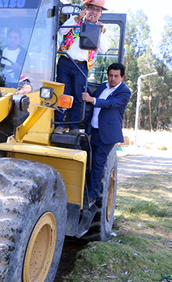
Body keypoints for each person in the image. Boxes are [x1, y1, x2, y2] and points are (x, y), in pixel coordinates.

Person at [54, 0, 109, 135]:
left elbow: (104, 49)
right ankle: (59, 124)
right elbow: (62, 31)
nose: (94, 13)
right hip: (66, 62)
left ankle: (73, 127)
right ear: (86, 9)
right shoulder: (75, 21)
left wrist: (99, 32)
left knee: (79, 96)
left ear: (100, 14)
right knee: (63, 94)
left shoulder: (100, 29)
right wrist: (77, 18)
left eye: (97, 10)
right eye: (92, 9)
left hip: (82, 66)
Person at [81, 62, 130, 204]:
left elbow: (110, 104)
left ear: (122, 77)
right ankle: (85, 191)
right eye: (110, 75)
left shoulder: (124, 92)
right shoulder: (103, 86)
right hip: (93, 130)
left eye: (116, 76)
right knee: (88, 162)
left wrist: (92, 99)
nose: (112, 79)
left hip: (107, 135)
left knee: (97, 163)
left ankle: (92, 196)